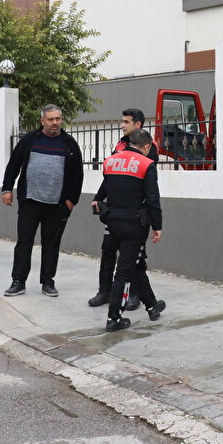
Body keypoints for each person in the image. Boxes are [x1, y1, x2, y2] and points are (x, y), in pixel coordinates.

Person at [1, 104, 84, 298]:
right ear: (42, 121)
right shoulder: (30, 140)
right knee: (24, 241)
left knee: (51, 244)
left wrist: (71, 202)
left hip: (57, 205)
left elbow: (77, 176)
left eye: (58, 119)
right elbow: (14, 164)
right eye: (50, 119)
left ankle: (48, 282)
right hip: (30, 201)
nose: (55, 123)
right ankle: (18, 281)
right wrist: (7, 189)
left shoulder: (69, 144)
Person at [93, 128, 165, 331]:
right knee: (124, 270)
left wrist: (97, 200)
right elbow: (152, 198)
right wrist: (157, 226)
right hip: (135, 224)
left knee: (136, 264)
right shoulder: (147, 164)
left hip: (113, 221)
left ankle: (152, 306)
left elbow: (106, 187)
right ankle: (113, 318)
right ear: (147, 146)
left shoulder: (111, 161)